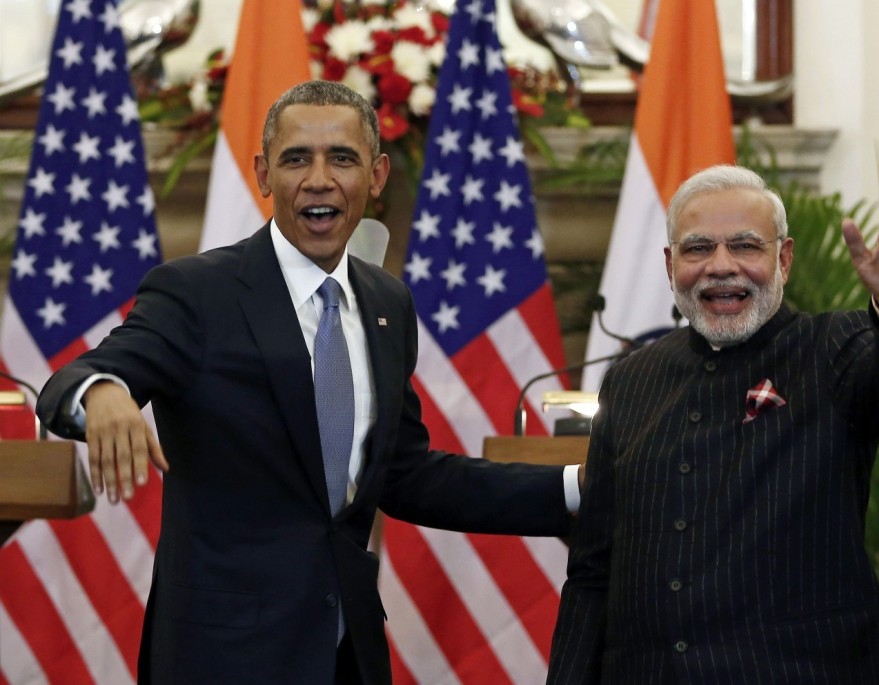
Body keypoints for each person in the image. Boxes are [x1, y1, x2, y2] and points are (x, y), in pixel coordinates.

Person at [36, 80, 580, 685]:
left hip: (347, 652)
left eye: (341, 159)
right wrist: (103, 392)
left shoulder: (386, 302)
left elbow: (406, 474)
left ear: (375, 177)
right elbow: (79, 377)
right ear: (264, 175)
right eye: (297, 159)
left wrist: (575, 489)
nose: (319, 179)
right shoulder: (197, 291)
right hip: (222, 659)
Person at [546, 164, 879, 684]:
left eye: (745, 245)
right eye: (698, 249)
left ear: (783, 258)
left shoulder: (831, 350)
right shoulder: (630, 380)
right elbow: (592, 569)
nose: (721, 266)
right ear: (670, 266)